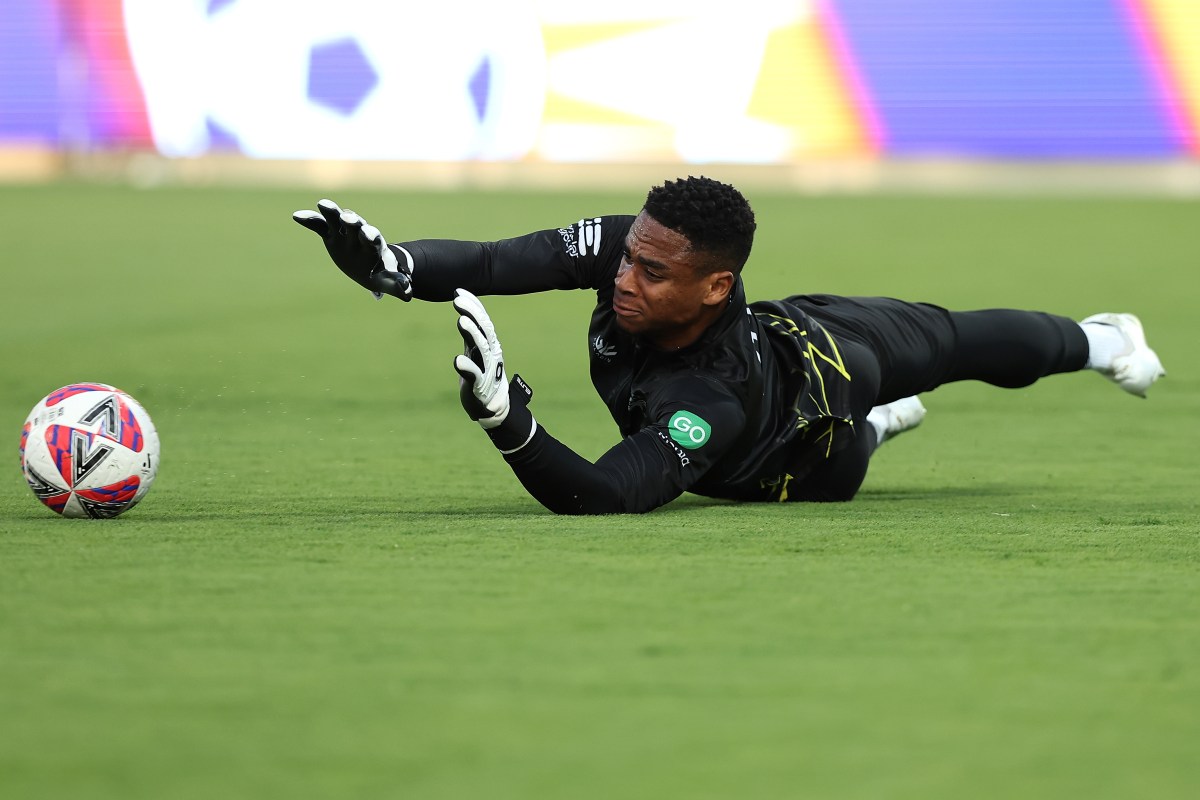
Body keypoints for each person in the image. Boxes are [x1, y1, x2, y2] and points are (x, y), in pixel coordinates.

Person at [293, 176, 1165, 515]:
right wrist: (395, 267)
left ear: (714, 286)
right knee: (891, 407)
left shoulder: (705, 401)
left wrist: (508, 426)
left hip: (805, 417)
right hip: (788, 379)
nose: (624, 278)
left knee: (950, 341)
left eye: (652, 272)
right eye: (627, 256)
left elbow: (605, 493)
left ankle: (1099, 340)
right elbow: (492, 262)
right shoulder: (634, 249)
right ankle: (885, 419)